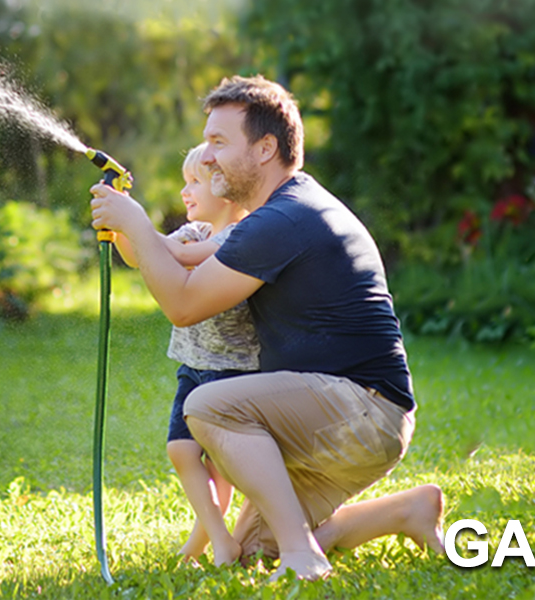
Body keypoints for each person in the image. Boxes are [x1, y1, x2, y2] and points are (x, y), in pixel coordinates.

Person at [89, 75, 445, 581]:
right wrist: (134, 231)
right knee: (256, 551)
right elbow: (186, 277)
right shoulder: (277, 213)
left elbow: (184, 305)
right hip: (340, 415)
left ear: (265, 148)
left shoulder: (285, 218)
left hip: (362, 411)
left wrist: (138, 224)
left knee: (207, 405)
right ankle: (403, 512)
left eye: (218, 143)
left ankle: (304, 553)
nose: (207, 158)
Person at [111, 142, 260, 566]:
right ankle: (217, 540)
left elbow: (177, 255)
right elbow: (141, 255)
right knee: (181, 451)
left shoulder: (239, 236)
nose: (184, 192)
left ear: (226, 189)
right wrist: (123, 222)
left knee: (220, 466)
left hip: (233, 369)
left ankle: (210, 544)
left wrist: (138, 227)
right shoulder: (193, 231)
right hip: (193, 367)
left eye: (194, 182)